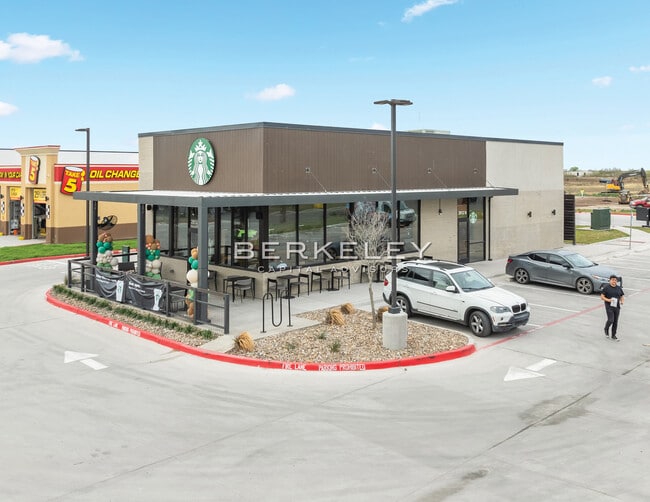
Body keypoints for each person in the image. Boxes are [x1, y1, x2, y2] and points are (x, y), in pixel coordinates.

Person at [600, 275, 624, 341]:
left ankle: (613, 335)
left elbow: (621, 296)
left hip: (617, 307)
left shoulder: (619, 288)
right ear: (610, 280)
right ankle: (606, 328)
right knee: (611, 320)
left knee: (615, 321)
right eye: (613, 280)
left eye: (615, 280)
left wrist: (622, 301)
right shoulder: (606, 288)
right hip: (609, 306)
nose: (614, 281)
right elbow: (602, 297)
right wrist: (609, 300)